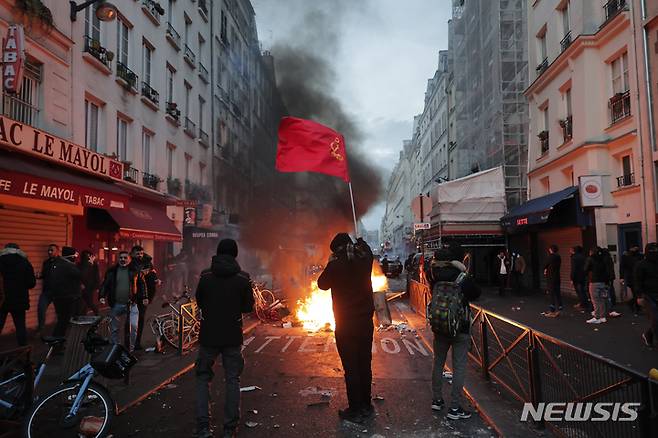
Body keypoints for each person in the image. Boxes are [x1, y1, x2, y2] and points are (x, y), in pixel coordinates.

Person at [195, 239, 254, 438]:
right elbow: (248, 307)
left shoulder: (205, 276)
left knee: (203, 379)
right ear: (235, 254)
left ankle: (203, 427)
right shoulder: (243, 278)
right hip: (232, 335)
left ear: (218, 253)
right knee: (232, 380)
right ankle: (230, 429)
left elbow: (200, 301)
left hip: (209, 335)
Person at [318, 233, 375, 424]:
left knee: (351, 368)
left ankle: (356, 409)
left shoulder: (335, 265)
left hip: (345, 325)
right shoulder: (365, 260)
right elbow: (367, 250)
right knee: (364, 364)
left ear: (336, 250)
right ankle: (366, 405)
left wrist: (332, 261)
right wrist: (360, 241)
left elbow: (322, 284)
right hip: (365, 323)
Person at [426, 246, 481, 419]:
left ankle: (437, 400)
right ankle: (455, 408)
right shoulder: (462, 277)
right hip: (460, 327)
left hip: (440, 325)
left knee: (438, 363)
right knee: (459, 367)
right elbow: (476, 294)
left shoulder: (433, 275)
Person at [100, 251, 148, 352]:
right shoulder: (112, 271)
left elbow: (142, 284)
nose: (123, 259)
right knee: (114, 328)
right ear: (118, 259)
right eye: (121, 258)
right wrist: (102, 296)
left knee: (134, 327)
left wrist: (145, 297)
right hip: (116, 304)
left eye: (125, 258)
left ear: (130, 259)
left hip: (132, 303)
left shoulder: (136, 271)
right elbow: (105, 284)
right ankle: (115, 347)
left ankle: (131, 349)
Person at [0, 243, 36, 346]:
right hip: (19, 301)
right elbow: (31, 283)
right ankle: (23, 352)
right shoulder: (25, 263)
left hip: (2, 300)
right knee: (20, 327)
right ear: (18, 250)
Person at [130, 245, 159, 350]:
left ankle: (137, 342)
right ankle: (130, 342)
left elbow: (153, 274)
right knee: (131, 321)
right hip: (131, 294)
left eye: (141, 253)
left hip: (143, 295)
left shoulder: (147, 262)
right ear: (133, 253)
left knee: (140, 318)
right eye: (137, 253)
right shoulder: (129, 263)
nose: (140, 255)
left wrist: (155, 280)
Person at [50, 247, 82, 338]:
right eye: (74, 256)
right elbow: (80, 275)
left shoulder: (56, 263)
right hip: (67, 297)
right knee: (64, 321)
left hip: (58, 296)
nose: (75, 258)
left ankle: (57, 340)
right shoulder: (68, 266)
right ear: (70, 256)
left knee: (61, 319)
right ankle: (57, 341)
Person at [635, 243, 658, 347]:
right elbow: (638, 281)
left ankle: (648, 334)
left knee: (656, 319)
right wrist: (639, 295)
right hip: (648, 295)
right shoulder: (641, 265)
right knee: (655, 319)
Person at [584, 247, 613, 324]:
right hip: (603, 282)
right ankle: (603, 316)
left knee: (595, 300)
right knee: (602, 299)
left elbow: (585, 269)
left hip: (594, 281)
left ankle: (597, 317)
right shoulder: (603, 259)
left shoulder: (590, 259)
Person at [37, 244, 59, 332]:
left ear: (57, 251)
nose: (49, 252)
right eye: (48, 250)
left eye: (51, 250)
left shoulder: (62, 263)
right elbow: (44, 275)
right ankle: (40, 329)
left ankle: (61, 330)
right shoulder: (46, 262)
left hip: (58, 292)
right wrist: (39, 276)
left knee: (60, 312)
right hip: (47, 291)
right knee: (41, 309)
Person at [542, 245, 562, 317]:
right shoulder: (558, 257)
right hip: (557, 277)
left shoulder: (550, 257)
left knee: (551, 294)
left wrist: (545, 269)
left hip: (551, 277)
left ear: (550, 250)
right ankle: (559, 308)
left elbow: (545, 265)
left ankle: (552, 310)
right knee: (557, 293)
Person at [78, 250, 100, 316]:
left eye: (89, 256)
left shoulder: (94, 265)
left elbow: (96, 276)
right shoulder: (80, 265)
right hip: (82, 286)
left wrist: (97, 286)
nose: (88, 257)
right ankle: (83, 315)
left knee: (89, 302)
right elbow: (78, 275)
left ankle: (97, 313)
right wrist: (80, 283)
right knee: (83, 302)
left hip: (89, 286)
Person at [621, 246, 642, 315]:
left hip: (631, 277)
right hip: (633, 277)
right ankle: (636, 306)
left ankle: (635, 306)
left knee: (636, 293)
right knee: (636, 293)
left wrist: (622, 277)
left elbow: (622, 268)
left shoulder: (626, 257)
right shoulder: (639, 256)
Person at [602, 248, 621, 318]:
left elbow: (606, 270)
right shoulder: (609, 258)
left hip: (607, 278)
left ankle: (610, 306)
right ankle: (613, 301)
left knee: (607, 292)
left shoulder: (604, 259)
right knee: (610, 290)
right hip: (611, 277)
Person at [570, 246, 590, 312]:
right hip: (583, 276)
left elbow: (573, 269)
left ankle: (584, 305)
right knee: (582, 290)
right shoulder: (584, 256)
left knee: (579, 291)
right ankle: (583, 303)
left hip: (577, 277)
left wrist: (572, 278)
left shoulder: (574, 258)